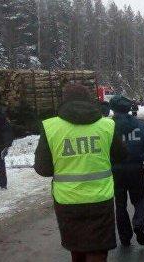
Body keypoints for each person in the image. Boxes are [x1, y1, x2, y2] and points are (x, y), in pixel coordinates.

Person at [34, 84, 127, 262]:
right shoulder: (107, 125)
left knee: (77, 248)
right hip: (100, 198)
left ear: (64, 101)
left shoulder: (50, 127)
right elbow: (121, 155)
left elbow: (43, 169)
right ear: (90, 100)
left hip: (67, 200)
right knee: (98, 249)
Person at [109, 95, 144, 247]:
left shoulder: (107, 126)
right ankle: (138, 223)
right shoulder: (142, 124)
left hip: (115, 171)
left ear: (112, 108)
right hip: (136, 169)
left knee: (120, 204)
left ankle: (125, 237)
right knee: (140, 199)